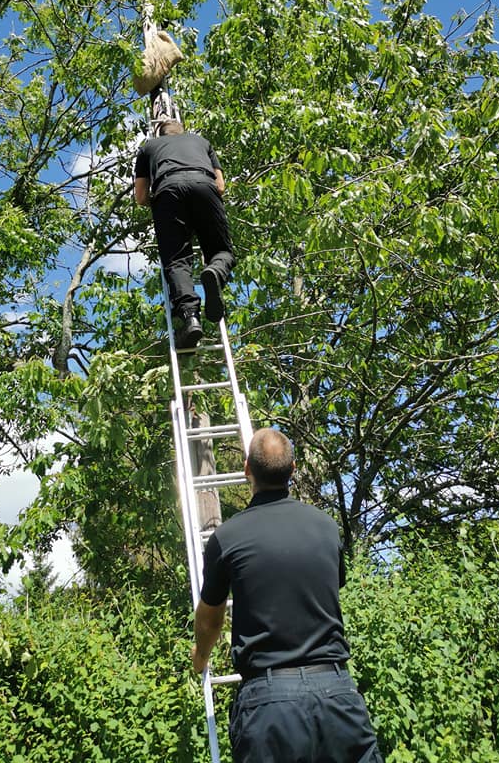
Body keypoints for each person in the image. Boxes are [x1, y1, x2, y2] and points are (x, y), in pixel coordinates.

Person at [191, 428, 384, 763]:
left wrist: (200, 657)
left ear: (247, 468)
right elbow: (331, 588)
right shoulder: (326, 527)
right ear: (293, 470)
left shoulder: (227, 537)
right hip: (337, 692)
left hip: (270, 704)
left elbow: (210, 620)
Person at [134, 117, 235, 349]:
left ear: (159, 134)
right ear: (182, 131)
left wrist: (162, 203)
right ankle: (215, 270)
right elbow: (220, 186)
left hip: (167, 190)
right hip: (204, 185)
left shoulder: (148, 148)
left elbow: (140, 197)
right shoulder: (202, 142)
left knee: (177, 260)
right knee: (221, 250)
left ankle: (190, 319)